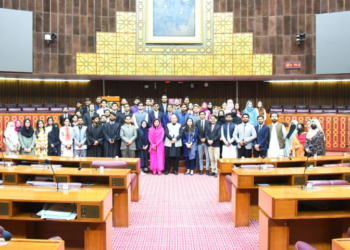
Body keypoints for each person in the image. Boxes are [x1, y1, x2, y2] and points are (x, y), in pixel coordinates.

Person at [196, 111, 211, 175]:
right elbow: (197, 132)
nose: (202, 115)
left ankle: (207, 169)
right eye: (201, 114)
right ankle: (201, 169)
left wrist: (205, 138)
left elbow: (209, 131)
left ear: (205, 115)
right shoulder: (197, 122)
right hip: (200, 141)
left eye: (203, 114)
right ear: (199, 115)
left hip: (207, 141)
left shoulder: (208, 122)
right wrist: (200, 138)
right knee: (200, 156)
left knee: (208, 156)